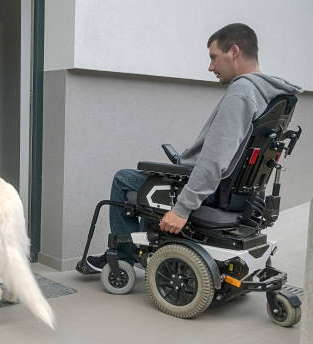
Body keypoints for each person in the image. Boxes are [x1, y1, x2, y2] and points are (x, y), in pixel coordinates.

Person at [86, 23, 303, 272]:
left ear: (234, 51)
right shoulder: (271, 95)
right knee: (153, 177)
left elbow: (215, 160)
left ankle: (123, 259)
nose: (210, 67)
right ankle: (150, 251)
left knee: (124, 179)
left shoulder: (241, 92)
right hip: (238, 193)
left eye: (213, 57)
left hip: (211, 190)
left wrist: (182, 209)